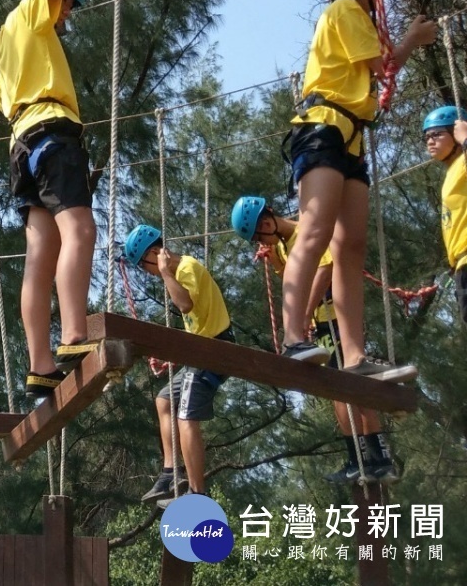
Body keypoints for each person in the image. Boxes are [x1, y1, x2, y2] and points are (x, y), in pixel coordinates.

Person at [0, 0, 130, 398]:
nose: (65, 16)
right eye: (64, 6)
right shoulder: (31, 10)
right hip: (52, 134)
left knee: (41, 253)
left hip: (22, 145)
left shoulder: (9, 40)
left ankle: (39, 365)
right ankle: (74, 335)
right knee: (80, 229)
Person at [278, 0, 436, 380]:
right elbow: (382, 67)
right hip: (323, 127)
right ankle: (293, 337)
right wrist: (412, 40)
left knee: (350, 248)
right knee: (316, 231)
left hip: (350, 135)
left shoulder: (357, 18)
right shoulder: (345, 10)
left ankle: (354, 357)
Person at [231, 196, 399, 484]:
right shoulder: (283, 245)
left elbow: (325, 269)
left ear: (268, 222)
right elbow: (297, 279)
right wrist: (276, 262)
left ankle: (372, 460)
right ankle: (368, 459)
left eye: (259, 234)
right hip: (324, 323)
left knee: (348, 391)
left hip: (333, 318)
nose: (261, 240)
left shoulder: (303, 233)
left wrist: (304, 315)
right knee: (342, 391)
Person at [124, 225, 233, 507]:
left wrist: (164, 272)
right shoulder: (180, 272)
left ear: (153, 254)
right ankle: (172, 471)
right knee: (164, 400)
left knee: (185, 415)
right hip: (201, 351)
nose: (147, 272)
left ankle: (197, 493)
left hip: (213, 351)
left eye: (144, 265)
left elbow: (184, 305)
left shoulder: (185, 267)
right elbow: (197, 323)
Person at [423, 106, 467, 324]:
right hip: (461, 264)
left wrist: (466, 138)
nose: (430, 141)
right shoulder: (453, 171)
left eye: (437, 134)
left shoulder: (463, 163)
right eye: (427, 137)